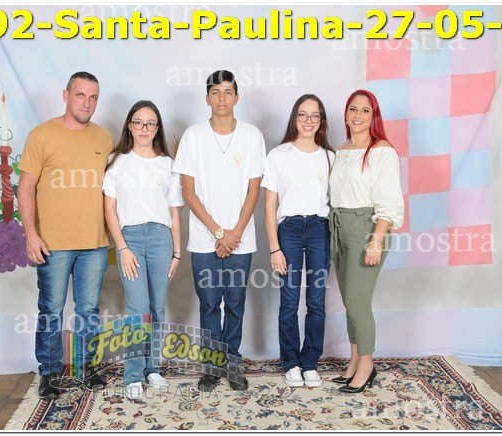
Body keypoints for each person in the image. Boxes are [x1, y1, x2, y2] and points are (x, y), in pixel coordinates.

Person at [18, 71, 113, 399]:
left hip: (94, 243)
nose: (87, 103)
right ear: (66, 95)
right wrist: (31, 234)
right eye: (80, 95)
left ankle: (87, 367)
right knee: (51, 310)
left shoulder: (104, 138)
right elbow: (25, 187)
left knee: (89, 310)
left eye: (93, 97)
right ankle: (49, 372)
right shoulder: (42, 135)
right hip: (53, 243)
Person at [172, 70, 266, 392]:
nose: (222, 98)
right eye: (216, 92)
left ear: (237, 97)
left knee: (236, 304)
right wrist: (218, 233)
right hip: (204, 241)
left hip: (240, 240)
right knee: (210, 304)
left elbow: (254, 190)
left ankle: (233, 363)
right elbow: (188, 192)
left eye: (228, 92)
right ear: (207, 98)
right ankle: (212, 366)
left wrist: (233, 234)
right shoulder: (193, 136)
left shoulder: (252, 136)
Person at [102, 100, 183, 400]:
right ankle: (133, 374)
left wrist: (177, 252)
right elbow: (109, 210)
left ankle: (152, 368)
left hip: (161, 238)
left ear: (157, 128)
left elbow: (174, 212)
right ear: (129, 126)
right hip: (131, 238)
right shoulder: (116, 161)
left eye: (150, 123)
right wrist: (122, 248)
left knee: (157, 307)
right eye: (138, 122)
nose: (144, 128)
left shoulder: (167, 164)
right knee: (138, 309)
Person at [328, 89, 404, 393]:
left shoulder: (382, 151)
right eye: (353, 109)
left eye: (365, 110)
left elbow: (389, 201)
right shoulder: (340, 151)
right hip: (339, 227)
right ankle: (354, 360)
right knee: (350, 301)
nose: (357, 116)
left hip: (367, 229)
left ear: (374, 116)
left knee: (359, 302)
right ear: (346, 114)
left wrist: (376, 240)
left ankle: (368, 365)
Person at [262, 94, 334, 388]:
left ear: (321, 121)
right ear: (295, 118)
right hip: (289, 230)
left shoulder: (330, 158)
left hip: (319, 229)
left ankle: (310, 362)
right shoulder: (278, 155)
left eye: (314, 115)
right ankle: (290, 362)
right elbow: (269, 205)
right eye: (303, 115)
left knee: (316, 301)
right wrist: (274, 248)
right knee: (289, 300)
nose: (308, 121)